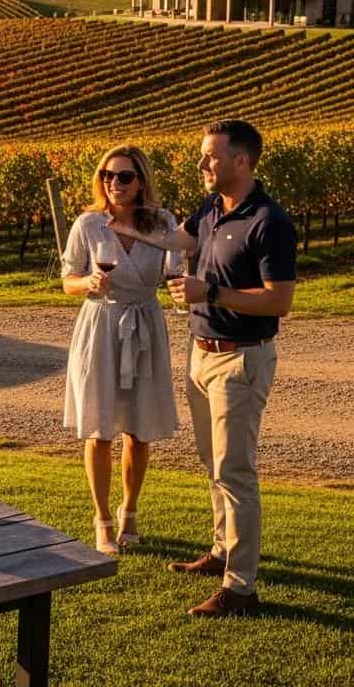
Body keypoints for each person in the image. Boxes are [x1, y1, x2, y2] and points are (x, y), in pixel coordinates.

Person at [110, 120, 296, 617]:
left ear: (241, 161)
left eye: (211, 157)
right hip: (202, 352)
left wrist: (208, 292)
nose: (201, 165)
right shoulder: (214, 207)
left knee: (235, 472)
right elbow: (178, 242)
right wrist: (121, 223)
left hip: (241, 358)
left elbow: (279, 301)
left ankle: (241, 588)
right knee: (213, 465)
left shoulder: (268, 222)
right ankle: (220, 553)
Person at [61, 145, 179, 556]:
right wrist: (87, 284)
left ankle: (130, 510)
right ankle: (102, 518)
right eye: (108, 175)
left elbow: (177, 270)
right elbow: (67, 280)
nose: (115, 183)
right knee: (99, 428)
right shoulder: (89, 224)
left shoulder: (162, 222)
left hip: (144, 324)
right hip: (101, 325)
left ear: (141, 180)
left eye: (125, 176)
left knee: (139, 428)